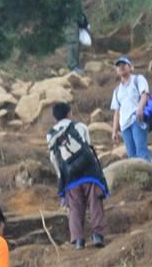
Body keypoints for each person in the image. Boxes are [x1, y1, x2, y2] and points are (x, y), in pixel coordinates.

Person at [46, 102, 108, 250]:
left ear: (55, 117)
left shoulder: (51, 134)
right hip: (89, 172)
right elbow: (88, 147)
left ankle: (78, 240)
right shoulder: (80, 127)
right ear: (69, 113)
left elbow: (54, 157)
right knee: (95, 202)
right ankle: (97, 235)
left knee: (74, 207)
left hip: (70, 176)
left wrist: (62, 175)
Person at [110, 56, 152, 162]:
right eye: (119, 66)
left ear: (130, 67)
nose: (121, 67)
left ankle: (149, 175)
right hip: (124, 125)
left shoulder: (138, 79)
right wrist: (114, 131)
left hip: (136, 119)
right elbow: (117, 112)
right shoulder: (117, 90)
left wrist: (140, 108)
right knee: (131, 155)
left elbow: (144, 94)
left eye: (124, 65)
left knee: (141, 150)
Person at [63, 0, 89, 73]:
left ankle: (73, 65)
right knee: (73, 43)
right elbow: (78, 13)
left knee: (71, 42)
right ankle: (73, 66)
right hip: (71, 22)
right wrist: (84, 23)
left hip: (64, 21)